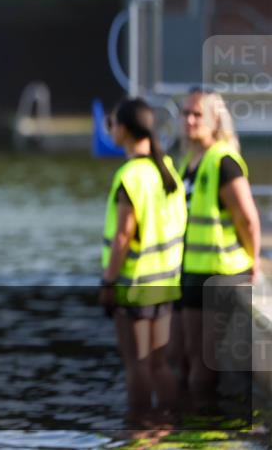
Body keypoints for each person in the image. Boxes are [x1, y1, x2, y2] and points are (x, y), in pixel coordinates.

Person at [100, 98, 186, 417]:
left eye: (113, 124)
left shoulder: (131, 176)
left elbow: (123, 235)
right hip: (166, 282)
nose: (111, 129)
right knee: (159, 363)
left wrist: (108, 282)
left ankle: (139, 432)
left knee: (137, 365)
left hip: (134, 285)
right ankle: (169, 429)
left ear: (123, 130)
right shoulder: (167, 170)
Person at [177, 88, 261, 400]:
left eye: (197, 114)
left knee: (203, 362)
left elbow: (247, 218)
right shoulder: (189, 161)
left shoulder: (223, 161)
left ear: (215, 121)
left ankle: (203, 434)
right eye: (185, 113)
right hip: (192, 270)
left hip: (221, 271)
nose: (189, 120)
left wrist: (254, 264)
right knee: (184, 355)